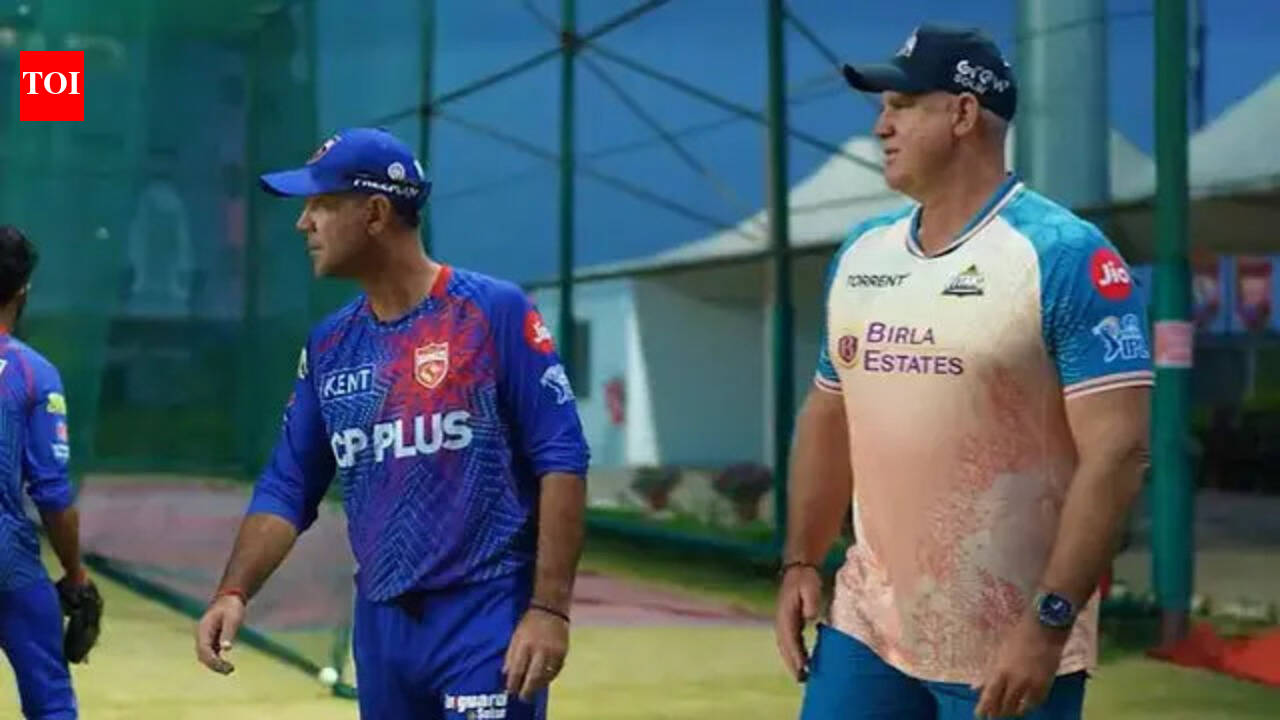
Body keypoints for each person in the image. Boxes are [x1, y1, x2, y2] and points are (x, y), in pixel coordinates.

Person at [774, 24, 1153, 720]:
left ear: (963, 113)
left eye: (901, 106)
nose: (880, 127)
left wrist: (1049, 623)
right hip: (866, 629)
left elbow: (1119, 452)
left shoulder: (1066, 255)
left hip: (1009, 644)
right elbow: (828, 412)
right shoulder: (861, 254)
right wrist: (801, 560)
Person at [193, 127, 591, 720]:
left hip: (485, 615)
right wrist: (233, 591)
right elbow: (288, 485)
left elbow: (562, 458)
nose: (304, 223)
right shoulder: (330, 344)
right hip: (382, 630)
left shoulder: (492, 312)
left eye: (321, 204)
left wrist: (550, 609)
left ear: (376, 213)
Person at [0, 225, 99, 720]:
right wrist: (75, 576)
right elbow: (53, 495)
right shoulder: (32, 372)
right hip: (7, 561)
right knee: (52, 705)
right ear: (24, 289)